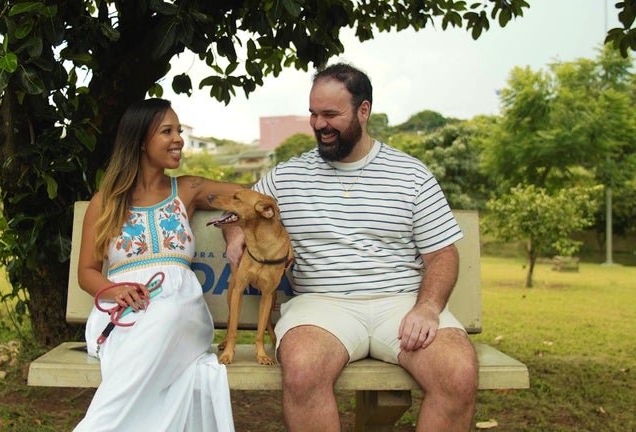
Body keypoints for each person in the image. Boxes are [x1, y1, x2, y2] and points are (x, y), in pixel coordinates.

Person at [225, 63, 478, 431]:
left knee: (457, 372)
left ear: (363, 110)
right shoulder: (287, 176)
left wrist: (427, 307)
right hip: (322, 306)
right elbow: (241, 208)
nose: (319, 124)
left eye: (331, 114)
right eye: (313, 114)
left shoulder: (411, 174)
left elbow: (442, 253)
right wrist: (235, 232)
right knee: (302, 368)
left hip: (402, 304)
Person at [74, 98, 239, 432]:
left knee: (169, 311)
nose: (178, 139)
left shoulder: (188, 189)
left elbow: (249, 195)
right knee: (153, 326)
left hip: (183, 313)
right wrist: (113, 289)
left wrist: (233, 227)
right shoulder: (105, 201)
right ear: (140, 142)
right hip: (123, 315)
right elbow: (86, 272)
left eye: (178, 130)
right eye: (167, 131)